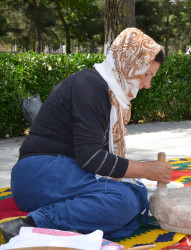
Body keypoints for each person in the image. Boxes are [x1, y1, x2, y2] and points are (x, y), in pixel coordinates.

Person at [0, 28, 172, 242]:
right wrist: (146, 169)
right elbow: (91, 157)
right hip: (39, 174)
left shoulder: (108, 92)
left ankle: (63, 215)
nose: (147, 84)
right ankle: (30, 225)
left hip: (57, 176)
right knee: (125, 200)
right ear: (129, 63)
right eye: (146, 74)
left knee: (135, 193)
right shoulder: (90, 85)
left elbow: (98, 161)